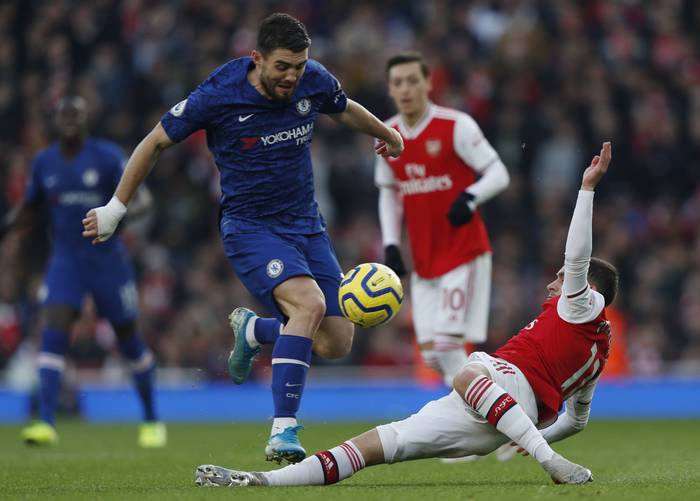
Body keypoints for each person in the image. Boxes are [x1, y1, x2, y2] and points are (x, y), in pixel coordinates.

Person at [193, 141, 617, 487]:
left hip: (498, 384)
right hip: (490, 416)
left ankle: (550, 463)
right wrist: (529, 434)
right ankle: (260, 481)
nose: (553, 285)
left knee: (467, 369)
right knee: (378, 444)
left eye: (560, 280)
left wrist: (587, 189)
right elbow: (577, 420)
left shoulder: (581, 304)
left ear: (591, 291)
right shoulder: (598, 352)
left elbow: (576, 256)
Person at [81, 13, 404, 464]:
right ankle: (283, 431)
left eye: (299, 66)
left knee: (336, 340)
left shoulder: (313, 79)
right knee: (308, 305)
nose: (292, 76)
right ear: (257, 59)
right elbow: (154, 142)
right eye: (282, 67)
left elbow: (343, 106)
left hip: (306, 226)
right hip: (251, 227)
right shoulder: (219, 93)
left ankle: (255, 329)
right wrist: (116, 209)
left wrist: (386, 133)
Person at [0, 96, 164, 447]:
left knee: (129, 340)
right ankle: (45, 422)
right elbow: (29, 208)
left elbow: (145, 200)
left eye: (77, 115)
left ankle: (151, 420)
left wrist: (116, 216)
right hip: (66, 261)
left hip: (107, 260)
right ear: (56, 122)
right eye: (65, 115)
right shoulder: (44, 162)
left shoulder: (106, 157)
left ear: (87, 120)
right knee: (52, 332)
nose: (71, 121)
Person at [375, 52, 510, 387]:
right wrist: (391, 244)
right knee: (434, 357)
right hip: (424, 261)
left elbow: (499, 172)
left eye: (412, 80)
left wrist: (470, 196)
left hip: (463, 252)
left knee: (450, 345)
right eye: (397, 83)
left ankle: (492, 414)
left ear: (428, 83)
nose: (405, 89)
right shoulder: (386, 135)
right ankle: (495, 401)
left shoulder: (455, 126)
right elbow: (389, 192)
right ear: (390, 89)